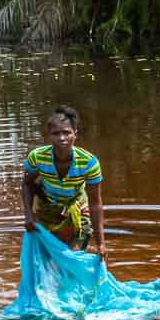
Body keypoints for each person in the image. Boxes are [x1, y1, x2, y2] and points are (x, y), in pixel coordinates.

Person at [21, 106, 106, 261]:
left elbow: (95, 203)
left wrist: (101, 243)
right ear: (49, 136)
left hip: (78, 211)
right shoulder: (37, 157)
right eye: (56, 133)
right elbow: (27, 184)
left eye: (66, 132)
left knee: (71, 258)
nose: (61, 138)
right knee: (48, 260)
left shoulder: (89, 162)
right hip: (48, 210)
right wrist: (29, 214)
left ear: (75, 135)